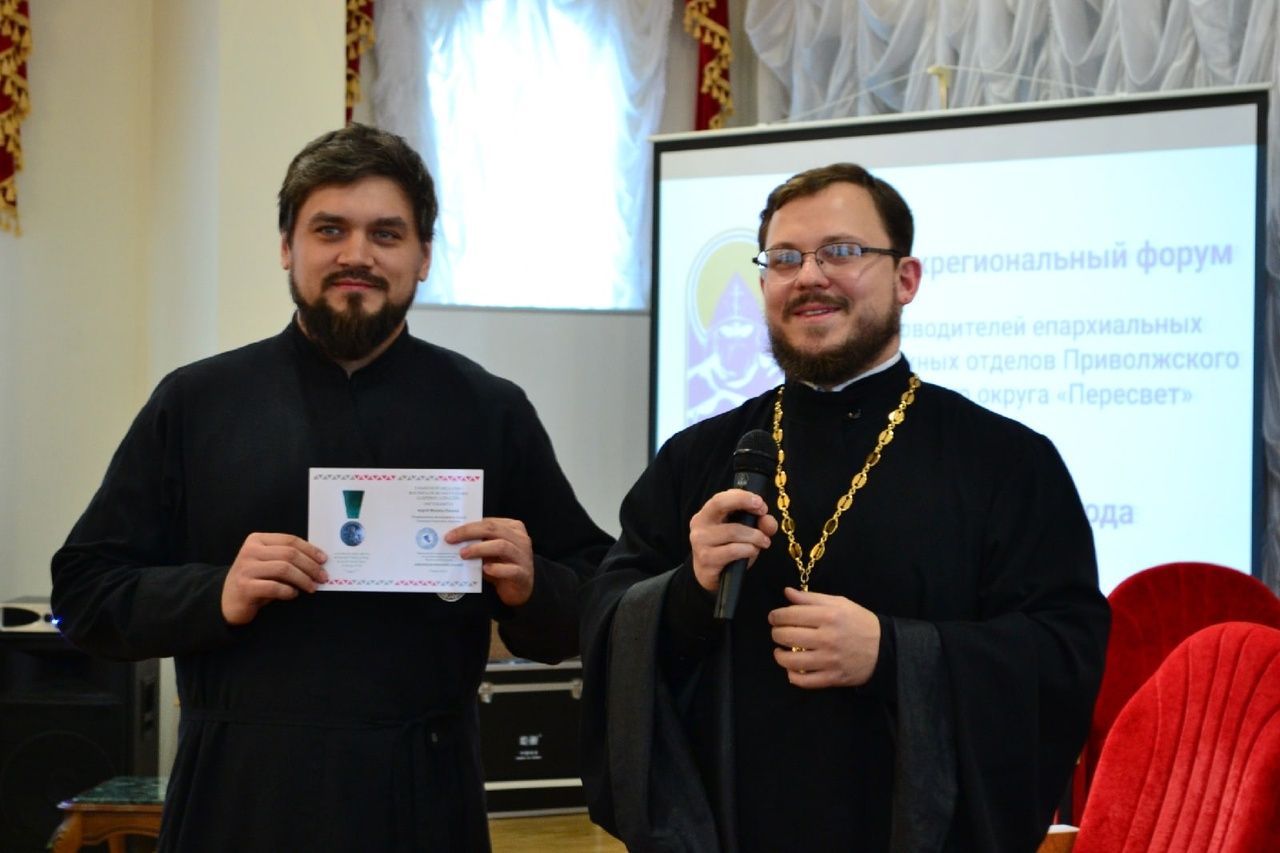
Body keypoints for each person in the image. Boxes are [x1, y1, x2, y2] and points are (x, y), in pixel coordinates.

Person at [50, 124, 613, 852]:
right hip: (240, 795)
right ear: (288, 247)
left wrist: (532, 585)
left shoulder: (489, 408)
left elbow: (598, 592)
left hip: (423, 797)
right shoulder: (197, 402)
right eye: (330, 229)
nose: (357, 255)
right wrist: (215, 592)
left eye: (386, 233)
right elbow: (84, 592)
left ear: (423, 256)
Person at [579, 163, 1110, 852]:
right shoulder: (698, 457)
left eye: (841, 251)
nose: (809, 276)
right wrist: (687, 590)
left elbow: (1063, 651)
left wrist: (894, 653)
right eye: (785, 258)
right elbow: (607, 614)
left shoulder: (1007, 461)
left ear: (906, 278)